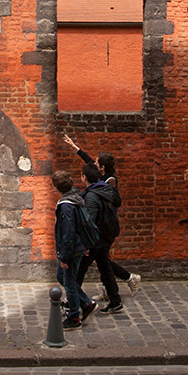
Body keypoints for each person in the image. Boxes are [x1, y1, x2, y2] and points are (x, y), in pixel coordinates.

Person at [63, 134, 141, 295]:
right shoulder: (101, 177)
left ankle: (80, 298)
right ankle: (115, 290)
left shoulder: (109, 182)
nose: (94, 163)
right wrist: (75, 147)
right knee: (102, 260)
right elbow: (89, 161)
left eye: (97, 162)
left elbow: (116, 201)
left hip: (103, 226)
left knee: (94, 262)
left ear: (102, 168)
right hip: (102, 227)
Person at [52, 169, 97, 329]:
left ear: (56, 186)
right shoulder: (76, 197)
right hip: (79, 246)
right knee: (61, 276)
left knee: (68, 281)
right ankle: (86, 304)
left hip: (71, 249)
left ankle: (74, 317)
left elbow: (68, 232)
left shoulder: (66, 205)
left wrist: (64, 257)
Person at [77, 163, 123, 314]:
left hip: (96, 239)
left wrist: (86, 244)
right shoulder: (105, 189)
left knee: (79, 270)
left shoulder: (91, 195)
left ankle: (75, 301)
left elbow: (89, 222)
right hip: (106, 235)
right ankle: (115, 300)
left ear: (84, 177)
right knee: (105, 266)